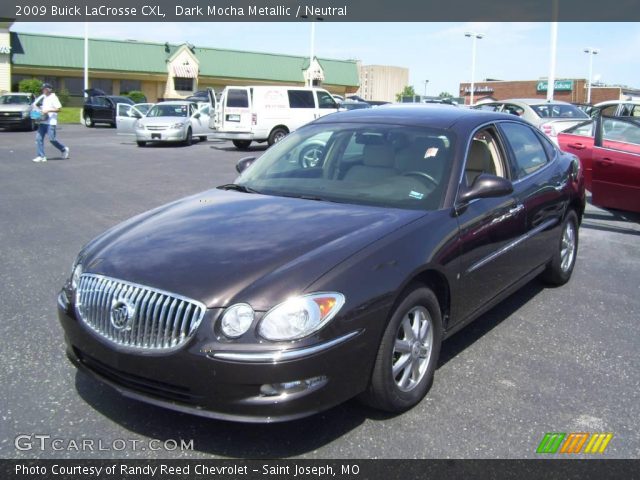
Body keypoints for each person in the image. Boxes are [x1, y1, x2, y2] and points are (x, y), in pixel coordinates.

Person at [32, 83, 70, 163]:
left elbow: (59, 109)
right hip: (43, 121)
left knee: (52, 139)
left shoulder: (54, 98)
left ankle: (63, 149)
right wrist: (38, 109)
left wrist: (48, 110)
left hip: (51, 122)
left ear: (49, 89)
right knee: (39, 138)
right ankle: (41, 156)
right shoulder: (43, 97)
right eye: (43, 89)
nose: (43, 90)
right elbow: (35, 104)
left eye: (45, 89)